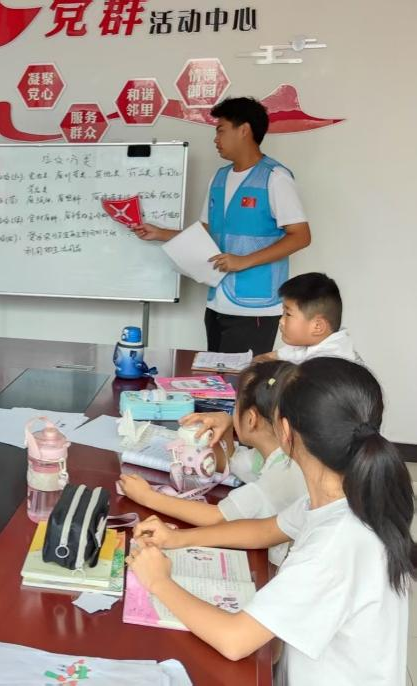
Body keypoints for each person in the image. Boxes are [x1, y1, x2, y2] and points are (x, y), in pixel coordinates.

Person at [127, 358, 415, 685]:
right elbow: (264, 530)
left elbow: (234, 640)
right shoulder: (343, 497)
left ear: (286, 432)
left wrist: (158, 581)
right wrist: (177, 539)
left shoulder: (336, 543)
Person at [132, 97, 311, 356]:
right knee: (215, 378)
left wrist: (243, 261)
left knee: (241, 379)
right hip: (217, 302)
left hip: (256, 306)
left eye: (221, 130)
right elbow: (207, 231)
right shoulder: (219, 177)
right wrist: (161, 233)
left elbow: (301, 236)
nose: (216, 139)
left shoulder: (275, 178)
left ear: (244, 130)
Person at [118, 360, 305, 565]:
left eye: (235, 406)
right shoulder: (278, 452)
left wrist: (147, 497)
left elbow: (218, 517)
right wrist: (227, 429)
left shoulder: (285, 472)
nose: (233, 412)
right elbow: (229, 464)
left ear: (251, 419)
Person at [255, 272, 361, 364]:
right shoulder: (310, 342)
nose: (281, 321)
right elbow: (265, 358)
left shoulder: (330, 363)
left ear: (317, 326)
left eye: (288, 314)